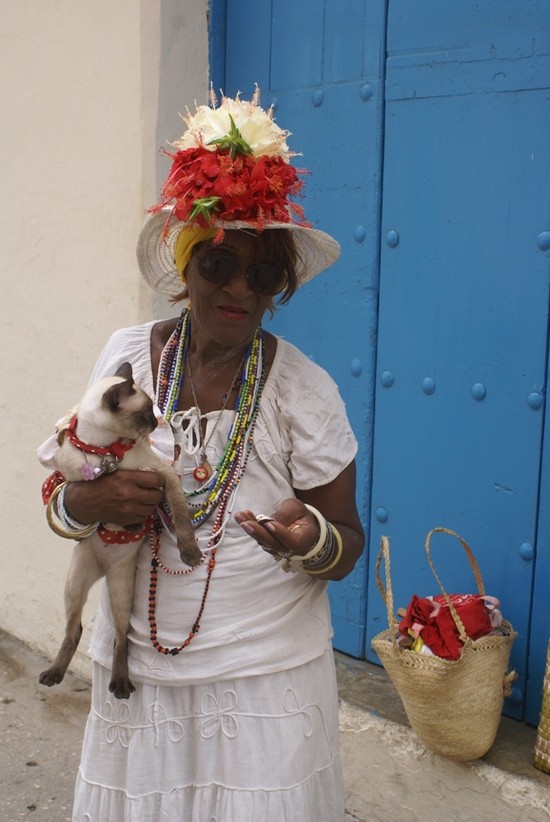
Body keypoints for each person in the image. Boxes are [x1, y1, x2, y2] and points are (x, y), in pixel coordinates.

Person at [39, 87, 364, 821]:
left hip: (263, 686)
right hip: (137, 677)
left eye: (263, 275)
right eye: (219, 264)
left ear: (278, 289)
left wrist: (310, 540)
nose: (240, 288)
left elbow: (346, 543)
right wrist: (85, 499)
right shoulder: (127, 359)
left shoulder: (304, 391)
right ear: (185, 268)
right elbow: (64, 483)